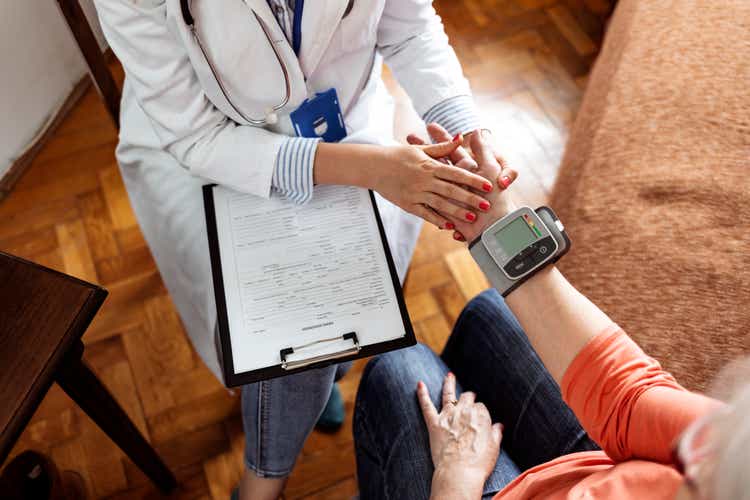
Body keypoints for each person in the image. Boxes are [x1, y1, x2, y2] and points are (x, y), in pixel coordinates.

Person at [92, 1, 517, 498]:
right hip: (208, 150)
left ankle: (316, 391)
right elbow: (196, 136)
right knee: (283, 331)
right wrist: (372, 170)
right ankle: (264, 477)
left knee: (333, 326)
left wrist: (468, 131)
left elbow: (408, 29)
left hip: (347, 117)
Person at [353, 139, 748, 498]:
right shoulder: (729, 445)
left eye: (700, 475)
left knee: (398, 367)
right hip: (595, 474)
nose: (697, 447)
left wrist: (457, 480)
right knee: (488, 313)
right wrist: (495, 229)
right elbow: (629, 401)